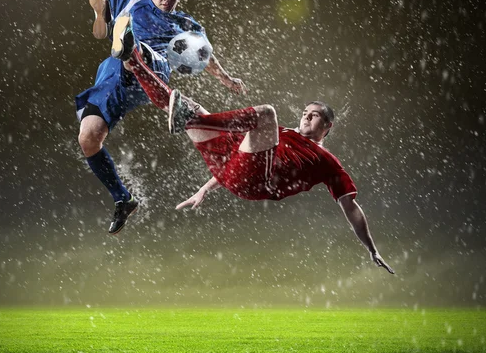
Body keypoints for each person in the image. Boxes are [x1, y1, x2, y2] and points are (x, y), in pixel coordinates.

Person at [114, 24, 394, 273]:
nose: (306, 116)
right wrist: (204, 189)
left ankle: (192, 118)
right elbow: (243, 152)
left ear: (328, 126)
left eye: (315, 114)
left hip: (257, 180)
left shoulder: (327, 161)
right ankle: (133, 60)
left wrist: (371, 248)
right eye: (306, 111)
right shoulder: (280, 134)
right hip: (231, 167)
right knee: (190, 105)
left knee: (266, 113)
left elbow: (351, 206)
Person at [72, 0, 246, 235]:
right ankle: (123, 199)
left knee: (141, 54)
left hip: (153, 70)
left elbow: (205, 56)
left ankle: (129, 47)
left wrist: (226, 78)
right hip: (114, 74)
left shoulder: (183, 24)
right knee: (88, 137)